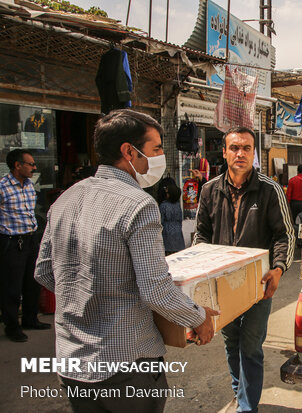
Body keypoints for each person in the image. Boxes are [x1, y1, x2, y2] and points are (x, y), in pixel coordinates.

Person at [34, 109, 219, 413]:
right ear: (128, 151)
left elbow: (44, 271)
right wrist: (199, 318)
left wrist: (88, 297)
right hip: (127, 366)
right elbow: (156, 290)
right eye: (156, 149)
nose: (161, 156)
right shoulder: (138, 204)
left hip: (72, 362)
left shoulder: (65, 199)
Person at [194, 126, 294, 413]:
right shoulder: (209, 190)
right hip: (221, 286)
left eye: (246, 148)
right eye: (234, 148)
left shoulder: (269, 190)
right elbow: (201, 234)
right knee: (232, 343)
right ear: (224, 152)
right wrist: (202, 273)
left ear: (254, 153)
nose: (240, 153)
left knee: (250, 347)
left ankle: (247, 407)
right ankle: (242, 396)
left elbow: (284, 235)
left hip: (257, 285)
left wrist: (278, 268)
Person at [0, 149, 50, 342]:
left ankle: (30, 319)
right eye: (30, 164)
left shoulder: (29, 185)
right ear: (17, 165)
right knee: (12, 286)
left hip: (30, 239)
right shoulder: (3, 187)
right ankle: (12, 326)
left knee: (33, 282)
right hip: (11, 242)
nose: (34, 167)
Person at [157, 179, 186, 255]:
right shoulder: (177, 205)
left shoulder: (163, 205)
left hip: (167, 232)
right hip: (178, 232)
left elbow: (161, 221)